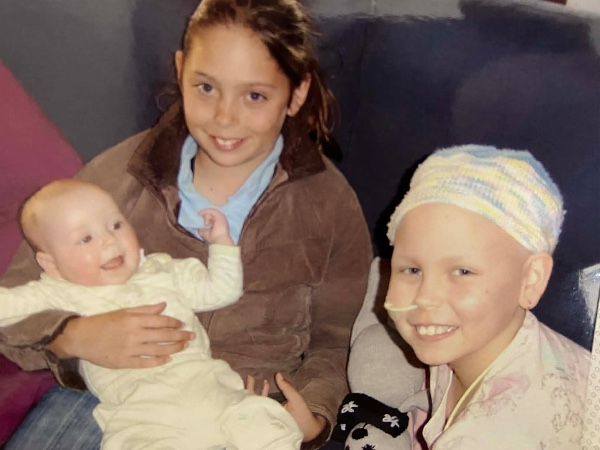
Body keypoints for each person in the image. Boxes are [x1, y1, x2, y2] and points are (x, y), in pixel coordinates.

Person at [0, 1, 373, 449]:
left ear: (296, 93)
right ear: (181, 71)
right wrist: (72, 337)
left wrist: (314, 411)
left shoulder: (329, 203)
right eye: (206, 87)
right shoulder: (118, 177)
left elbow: (338, 340)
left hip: (245, 405)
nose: (224, 117)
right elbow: (17, 302)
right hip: (114, 399)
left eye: (254, 96)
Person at [0, 179, 302, 449]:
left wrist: (222, 245)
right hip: (145, 415)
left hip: (213, 391)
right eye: (86, 238)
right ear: (52, 264)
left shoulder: (163, 269)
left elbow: (219, 293)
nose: (109, 240)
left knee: (269, 426)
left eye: (115, 225)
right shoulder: (60, 291)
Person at [383, 145, 590, 449]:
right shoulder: (476, 338)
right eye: (412, 269)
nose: (426, 297)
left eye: (462, 272)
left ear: (530, 279)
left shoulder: (492, 436)